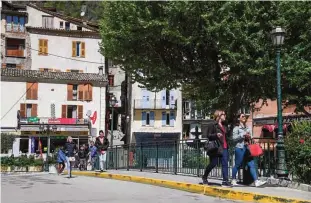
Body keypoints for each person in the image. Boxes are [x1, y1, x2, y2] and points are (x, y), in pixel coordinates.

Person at [231, 114, 267, 187]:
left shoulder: (248, 127)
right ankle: (233, 180)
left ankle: (256, 181)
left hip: (247, 148)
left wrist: (250, 136)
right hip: (240, 148)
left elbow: (251, 137)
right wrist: (242, 135)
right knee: (238, 165)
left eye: (245, 117)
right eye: (242, 116)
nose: (244, 118)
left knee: (251, 164)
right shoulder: (236, 128)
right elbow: (234, 138)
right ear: (239, 119)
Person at [202, 110, 232, 187]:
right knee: (213, 164)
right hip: (216, 147)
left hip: (224, 147)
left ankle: (225, 181)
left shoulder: (224, 125)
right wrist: (216, 135)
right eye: (223, 114)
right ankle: (205, 176)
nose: (225, 116)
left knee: (225, 164)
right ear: (218, 115)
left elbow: (227, 136)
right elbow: (208, 135)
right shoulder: (212, 124)